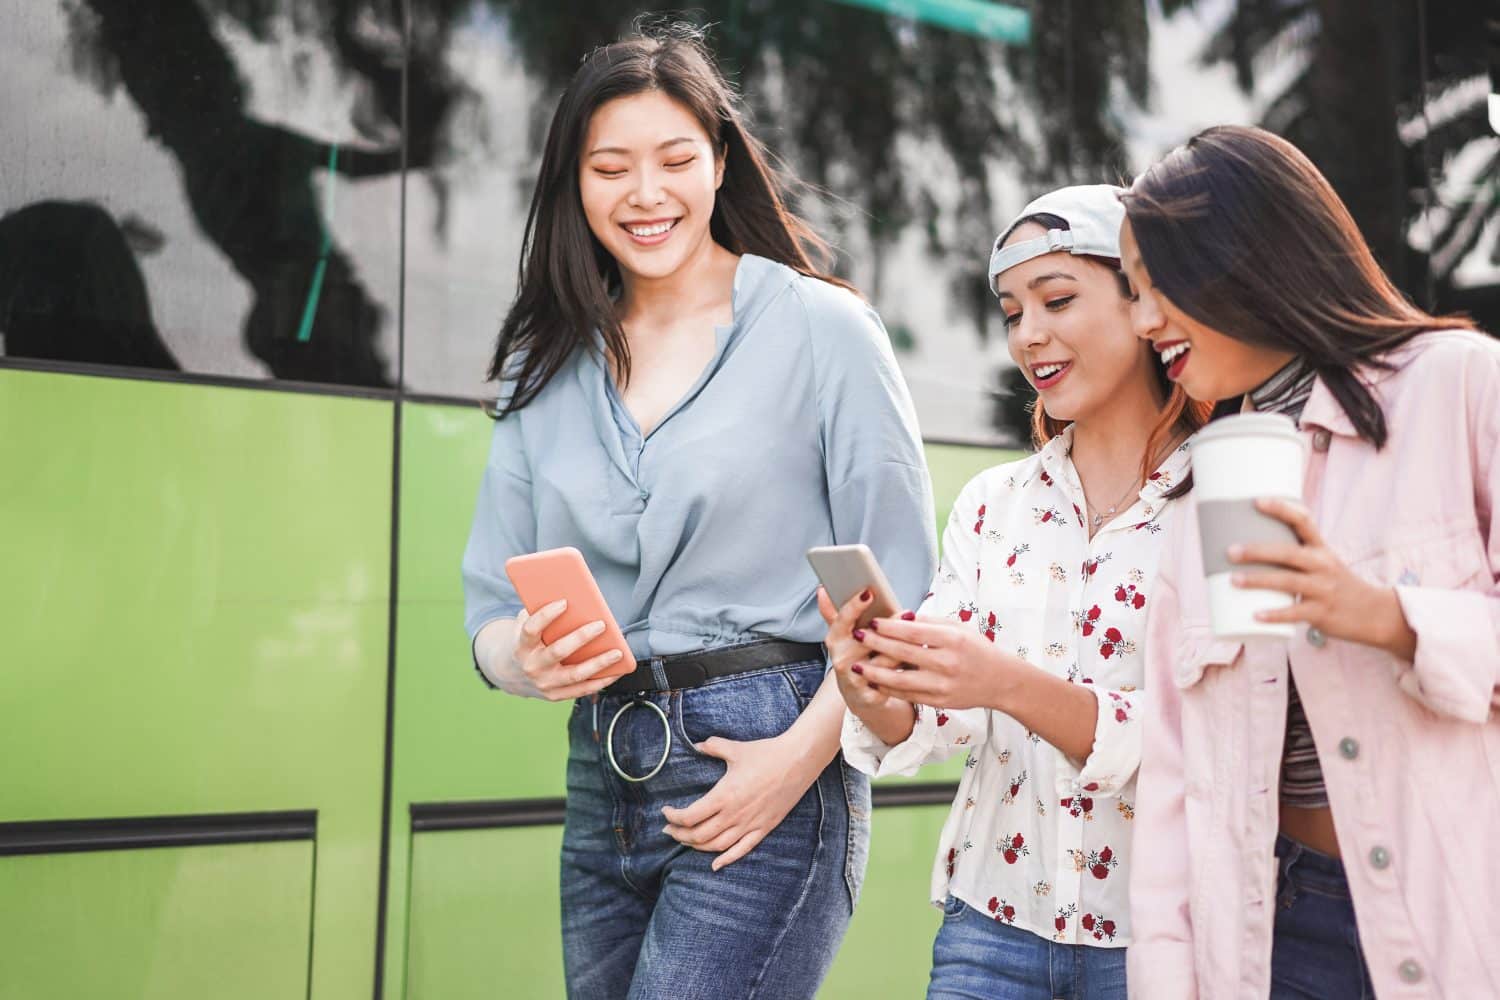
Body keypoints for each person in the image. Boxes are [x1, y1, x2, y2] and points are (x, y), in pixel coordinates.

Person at [459, 26, 936, 1000]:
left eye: (675, 159)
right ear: (573, 183)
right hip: (605, 772)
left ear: (719, 163)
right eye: (610, 166)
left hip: (774, 751)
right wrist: (527, 658)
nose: (646, 193)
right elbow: (487, 613)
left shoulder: (821, 329)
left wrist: (795, 767)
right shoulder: (541, 364)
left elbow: (902, 602)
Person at [1121, 124, 1500, 999]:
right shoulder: (1192, 500)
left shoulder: (1459, 387)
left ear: (1242, 254)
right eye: (1133, 295)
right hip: (1274, 939)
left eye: (1157, 285)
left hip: (1459, 922)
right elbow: (1176, 789)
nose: (1145, 323)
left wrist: (1384, 619)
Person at [826, 184, 1211, 1000]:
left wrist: (1005, 682)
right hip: (988, 932)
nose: (1028, 335)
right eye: (1010, 312)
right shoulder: (991, 504)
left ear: (1144, 304)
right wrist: (869, 683)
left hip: (1163, 939)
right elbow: (938, 720)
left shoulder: (1222, 500)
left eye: (1058, 299)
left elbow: (1210, 740)